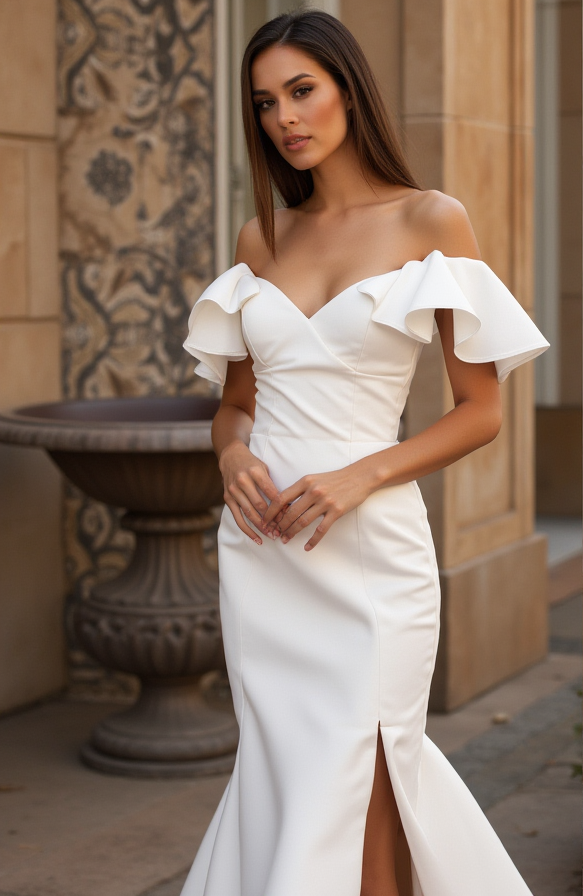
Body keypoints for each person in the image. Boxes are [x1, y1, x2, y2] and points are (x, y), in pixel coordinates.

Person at [181, 11, 549, 896]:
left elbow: (480, 411)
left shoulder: (432, 220)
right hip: (266, 550)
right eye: (265, 102)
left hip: (370, 549)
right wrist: (230, 458)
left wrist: (362, 474)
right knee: (287, 772)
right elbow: (234, 408)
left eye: (301, 91)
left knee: (373, 765)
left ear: (348, 88)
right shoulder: (259, 239)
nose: (284, 119)